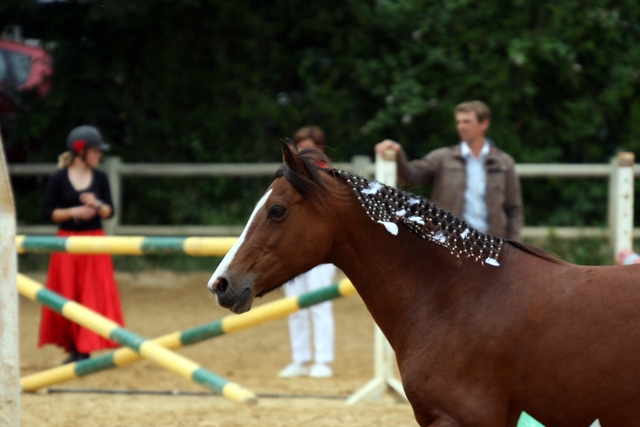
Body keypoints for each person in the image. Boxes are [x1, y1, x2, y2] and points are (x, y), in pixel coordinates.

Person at [375, 100, 523, 240]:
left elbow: (514, 209)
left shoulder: (504, 163)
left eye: (467, 121)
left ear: (484, 124)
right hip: (450, 242)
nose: (461, 126)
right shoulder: (442, 158)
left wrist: (516, 247)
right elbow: (411, 177)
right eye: (458, 122)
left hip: (491, 243)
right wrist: (398, 155)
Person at [39, 125, 125, 364]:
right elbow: (48, 212)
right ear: (81, 151)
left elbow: (110, 212)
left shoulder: (100, 177)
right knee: (66, 293)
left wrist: (96, 205)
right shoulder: (58, 178)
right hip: (65, 242)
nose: (99, 155)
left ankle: (85, 347)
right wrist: (74, 211)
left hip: (93, 241)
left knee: (91, 294)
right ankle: (73, 346)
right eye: (96, 151)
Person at [278, 126, 337, 379]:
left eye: (305, 148)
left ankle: (322, 360)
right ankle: (300, 359)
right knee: (295, 305)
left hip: (323, 252)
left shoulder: (330, 179)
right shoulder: (289, 179)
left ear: (319, 150)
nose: (299, 154)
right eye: (297, 149)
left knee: (319, 304)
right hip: (293, 250)